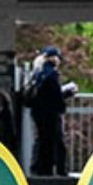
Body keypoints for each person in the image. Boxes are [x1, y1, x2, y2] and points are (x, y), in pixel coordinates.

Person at [25, 47, 77, 177]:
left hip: (38, 112)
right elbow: (54, 96)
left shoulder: (37, 73)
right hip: (50, 113)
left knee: (42, 140)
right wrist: (67, 94)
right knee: (55, 141)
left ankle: (39, 168)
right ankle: (58, 169)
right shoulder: (51, 74)